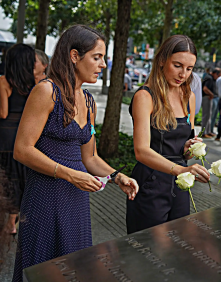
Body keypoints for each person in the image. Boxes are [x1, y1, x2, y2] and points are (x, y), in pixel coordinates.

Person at [12, 25, 139, 282]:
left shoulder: (89, 101)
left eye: (103, 57)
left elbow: (89, 158)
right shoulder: (46, 91)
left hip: (76, 201)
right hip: (45, 198)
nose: (103, 64)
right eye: (97, 57)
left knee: (74, 269)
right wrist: (69, 175)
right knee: (42, 270)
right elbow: (22, 150)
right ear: (74, 56)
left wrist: (117, 177)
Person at [126, 35, 210, 234]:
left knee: (177, 248)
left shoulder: (188, 95)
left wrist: (190, 149)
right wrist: (179, 170)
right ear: (162, 60)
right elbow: (141, 151)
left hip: (180, 184)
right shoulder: (145, 96)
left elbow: (182, 150)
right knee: (147, 248)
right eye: (178, 65)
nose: (183, 74)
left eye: (189, 69)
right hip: (151, 183)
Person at [0, 44, 35, 241]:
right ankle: (12, 222)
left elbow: (3, 112)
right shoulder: (33, 85)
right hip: (21, 137)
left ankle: (5, 219)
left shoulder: (4, 81)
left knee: (4, 178)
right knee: (16, 179)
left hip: (3, 137)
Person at [201, 68, 221, 138]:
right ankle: (203, 132)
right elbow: (205, 88)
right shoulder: (209, 78)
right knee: (206, 116)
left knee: (209, 116)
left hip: (208, 98)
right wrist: (211, 94)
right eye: (218, 76)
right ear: (215, 74)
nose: (217, 78)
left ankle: (208, 131)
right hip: (206, 97)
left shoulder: (210, 78)